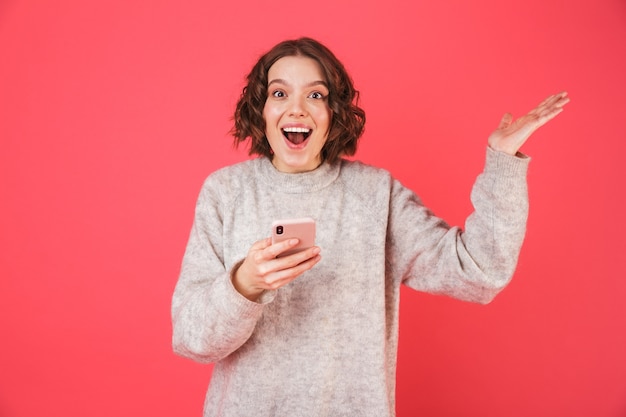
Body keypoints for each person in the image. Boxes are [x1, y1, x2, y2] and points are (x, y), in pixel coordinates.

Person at [171, 37, 569, 417]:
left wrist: (502, 162)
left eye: (315, 95)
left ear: (334, 113)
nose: (296, 109)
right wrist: (245, 283)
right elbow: (192, 340)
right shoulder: (225, 192)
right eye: (279, 93)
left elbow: (480, 271)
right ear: (260, 109)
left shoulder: (374, 195)